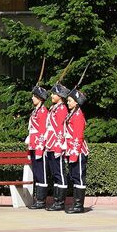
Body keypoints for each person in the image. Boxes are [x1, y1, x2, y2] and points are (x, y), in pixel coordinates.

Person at [44, 83, 70, 211]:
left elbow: (60, 129)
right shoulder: (54, 108)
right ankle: (56, 200)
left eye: (54, 93)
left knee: (60, 174)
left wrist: (59, 147)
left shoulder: (62, 109)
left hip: (56, 144)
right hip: (50, 144)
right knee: (55, 174)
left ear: (60, 96)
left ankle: (60, 202)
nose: (52, 96)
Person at [64, 87, 89, 214]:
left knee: (79, 177)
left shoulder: (78, 115)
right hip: (72, 150)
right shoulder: (72, 114)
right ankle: (76, 203)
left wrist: (73, 153)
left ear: (76, 102)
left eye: (69, 100)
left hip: (78, 151)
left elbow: (77, 136)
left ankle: (79, 205)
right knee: (74, 177)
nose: (68, 102)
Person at [25, 85, 48, 209]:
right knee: (37, 173)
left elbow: (42, 131)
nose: (33, 98)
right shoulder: (36, 110)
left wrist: (39, 147)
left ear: (40, 98)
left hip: (39, 145)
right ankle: (38, 199)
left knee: (41, 173)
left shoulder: (43, 111)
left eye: (35, 96)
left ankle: (41, 200)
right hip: (34, 144)